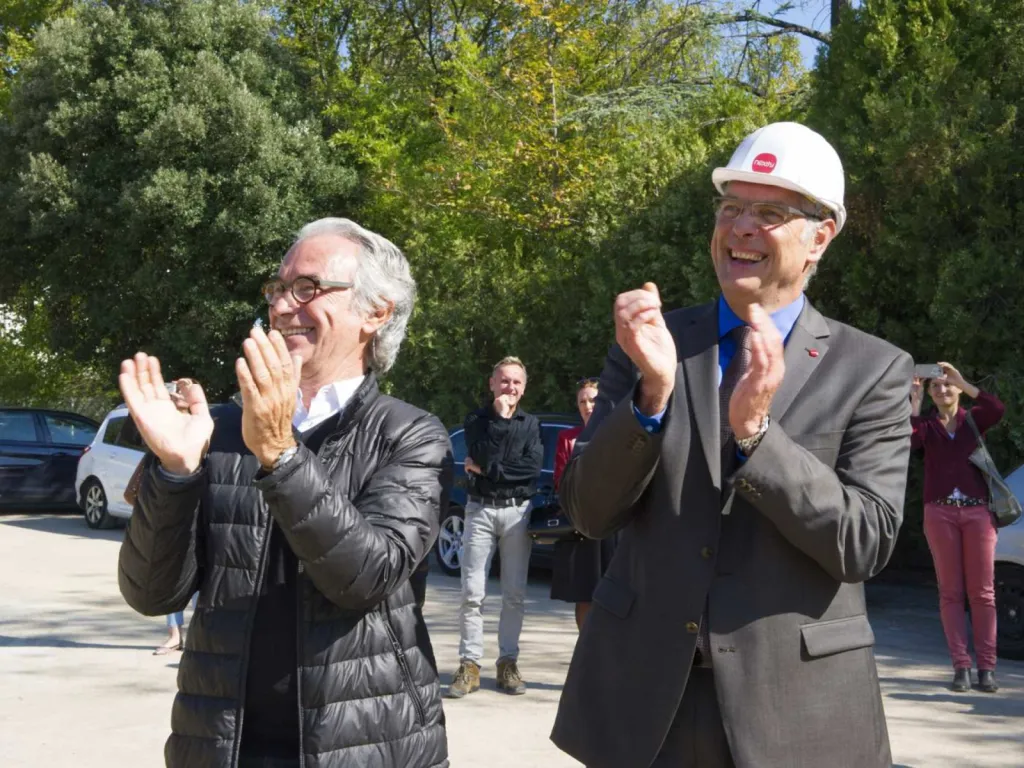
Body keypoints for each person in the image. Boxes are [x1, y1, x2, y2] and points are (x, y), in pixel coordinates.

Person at [552, 122, 914, 768]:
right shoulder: (650, 345)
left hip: (795, 717)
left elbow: (865, 541)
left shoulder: (873, 370)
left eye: (770, 213)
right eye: (731, 208)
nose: (742, 227)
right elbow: (586, 511)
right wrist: (651, 399)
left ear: (820, 238)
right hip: (643, 710)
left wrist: (757, 437)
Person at [117, 217, 451, 768]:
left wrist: (280, 452)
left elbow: (366, 577)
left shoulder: (410, 434)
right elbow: (150, 594)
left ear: (376, 312)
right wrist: (175, 472)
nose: (283, 306)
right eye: (278, 288)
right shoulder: (219, 430)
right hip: (221, 743)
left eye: (308, 288)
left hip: (365, 742)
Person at [445, 357, 543, 699]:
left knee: (514, 595)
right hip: (480, 512)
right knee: (472, 594)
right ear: (492, 383)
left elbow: (531, 468)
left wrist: (489, 470)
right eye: (504, 381)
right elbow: (482, 455)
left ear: (524, 387)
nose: (510, 388)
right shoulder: (477, 420)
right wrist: (500, 421)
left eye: (516, 382)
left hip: (518, 514)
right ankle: (469, 665)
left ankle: (508, 664)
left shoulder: (531, 423)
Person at [911, 362, 1005, 693]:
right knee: (950, 592)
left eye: (946, 385)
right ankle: (961, 666)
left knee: (983, 593)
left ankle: (987, 668)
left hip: (977, 513)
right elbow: (908, 441)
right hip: (940, 513)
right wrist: (914, 398)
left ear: (956, 389)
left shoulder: (973, 420)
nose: (942, 390)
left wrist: (964, 382)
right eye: (935, 386)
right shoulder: (925, 425)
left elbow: (996, 407)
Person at [550, 378, 615, 630]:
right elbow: (561, 481)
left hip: (614, 524)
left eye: (593, 400)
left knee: (613, 595)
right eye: (582, 401)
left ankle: (610, 657)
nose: (588, 406)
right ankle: (585, 656)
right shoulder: (568, 438)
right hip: (582, 526)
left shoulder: (616, 433)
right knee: (585, 594)